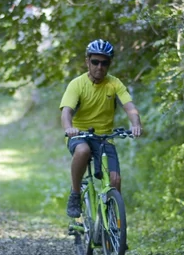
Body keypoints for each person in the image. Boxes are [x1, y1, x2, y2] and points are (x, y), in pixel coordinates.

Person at [60, 39, 143, 218]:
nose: (100, 67)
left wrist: (136, 124)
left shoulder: (114, 84)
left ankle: (114, 228)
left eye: (104, 63)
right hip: (80, 134)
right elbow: (66, 112)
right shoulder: (77, 84)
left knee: (115, 180)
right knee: (82, 150)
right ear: (87, 61)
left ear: (109, 64)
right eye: (95, 62)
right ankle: (75, 194)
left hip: (104, 137)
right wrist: (69, 128)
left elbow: (129, 107)